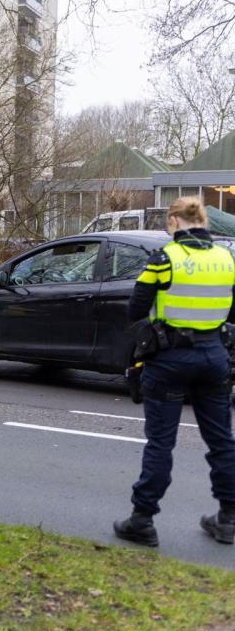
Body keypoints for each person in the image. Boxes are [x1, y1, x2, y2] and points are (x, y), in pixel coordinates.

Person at [113, 197, 235, 547]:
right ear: (204, 222)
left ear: (173, 222)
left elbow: (135, 309)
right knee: (221, 440)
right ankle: (228, 517)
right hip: (213, 355)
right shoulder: (226, 259)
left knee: (161, 443)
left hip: (168, 359)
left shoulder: (165, 259)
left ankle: (142, 520)